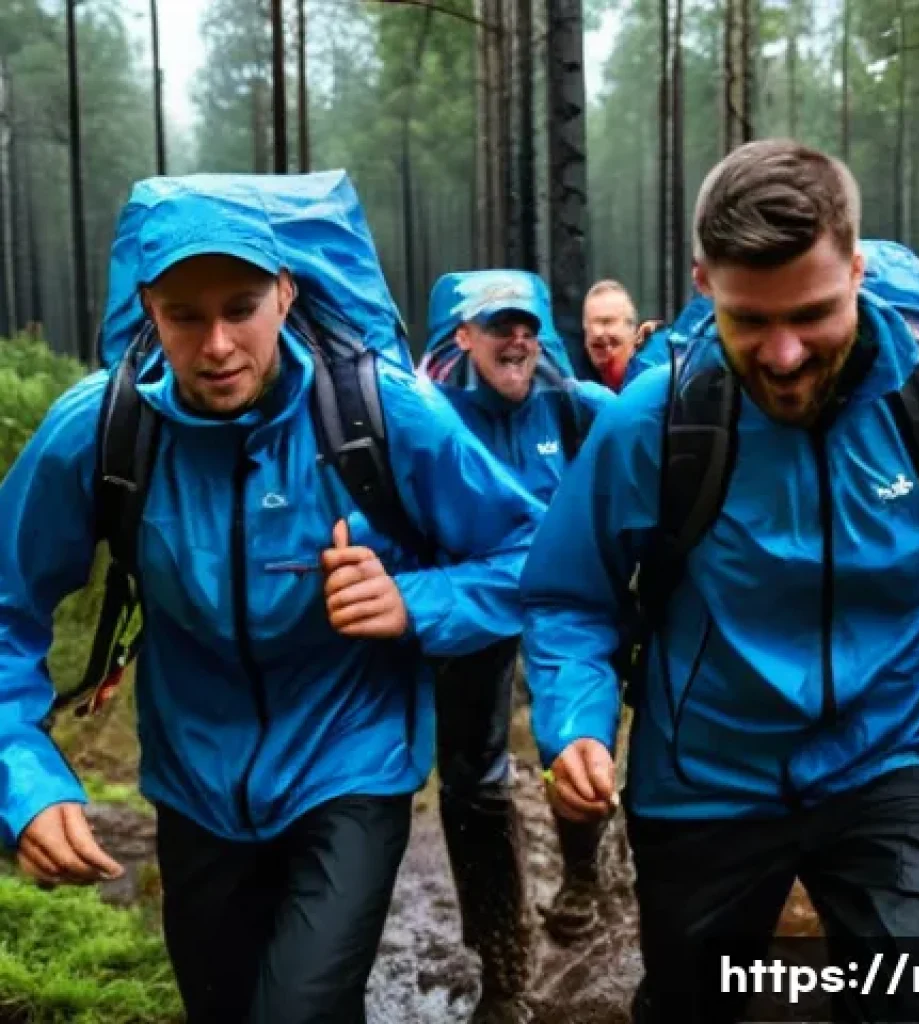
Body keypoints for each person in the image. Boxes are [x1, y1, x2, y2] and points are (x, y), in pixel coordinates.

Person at [0, 178, 544, 1024]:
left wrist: (413, 599)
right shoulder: (102, 430)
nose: (217, 343)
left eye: (242, 306)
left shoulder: (378, 413)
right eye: (184, 315)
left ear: (285, 293)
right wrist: (23, 779)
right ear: (149, 307)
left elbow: (530, 556)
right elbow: (5, 609)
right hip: (193, 783)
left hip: (349, 764)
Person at [519, 139, 919, 1022]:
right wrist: (575, 723)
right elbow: (570, 597)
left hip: (894, 751)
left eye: (815, 313)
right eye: (751, 321)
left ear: (858, 270)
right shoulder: (657, 419)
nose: (785, 354)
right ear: (704, 282)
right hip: (707, 774)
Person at [419, 269, 614, 1023]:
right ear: (463, 337)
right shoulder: (428, 419)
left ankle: (583, 876)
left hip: (569, 611)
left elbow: (651, 448)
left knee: (579, 751)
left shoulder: (576, 409)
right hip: (476, 613)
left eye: (527, 324)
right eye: (498, 324)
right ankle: (503, 966)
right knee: (471, 783)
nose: (518, 336)